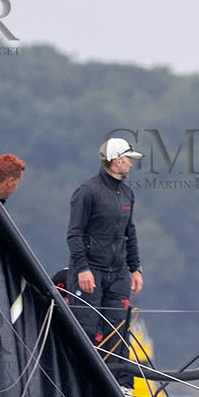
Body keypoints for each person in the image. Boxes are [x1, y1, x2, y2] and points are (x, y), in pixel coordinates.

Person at [67, 136, 144, 348]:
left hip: (118, 273)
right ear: (117, 160)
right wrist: (82, 268)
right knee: (87, 330)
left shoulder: (128, 193)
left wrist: (135, 269)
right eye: (128, 159)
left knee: (118, 330)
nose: (131, 164)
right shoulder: (87, 191)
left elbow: (130, 232)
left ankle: (117, 371)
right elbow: (74, 233)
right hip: (90, 272)